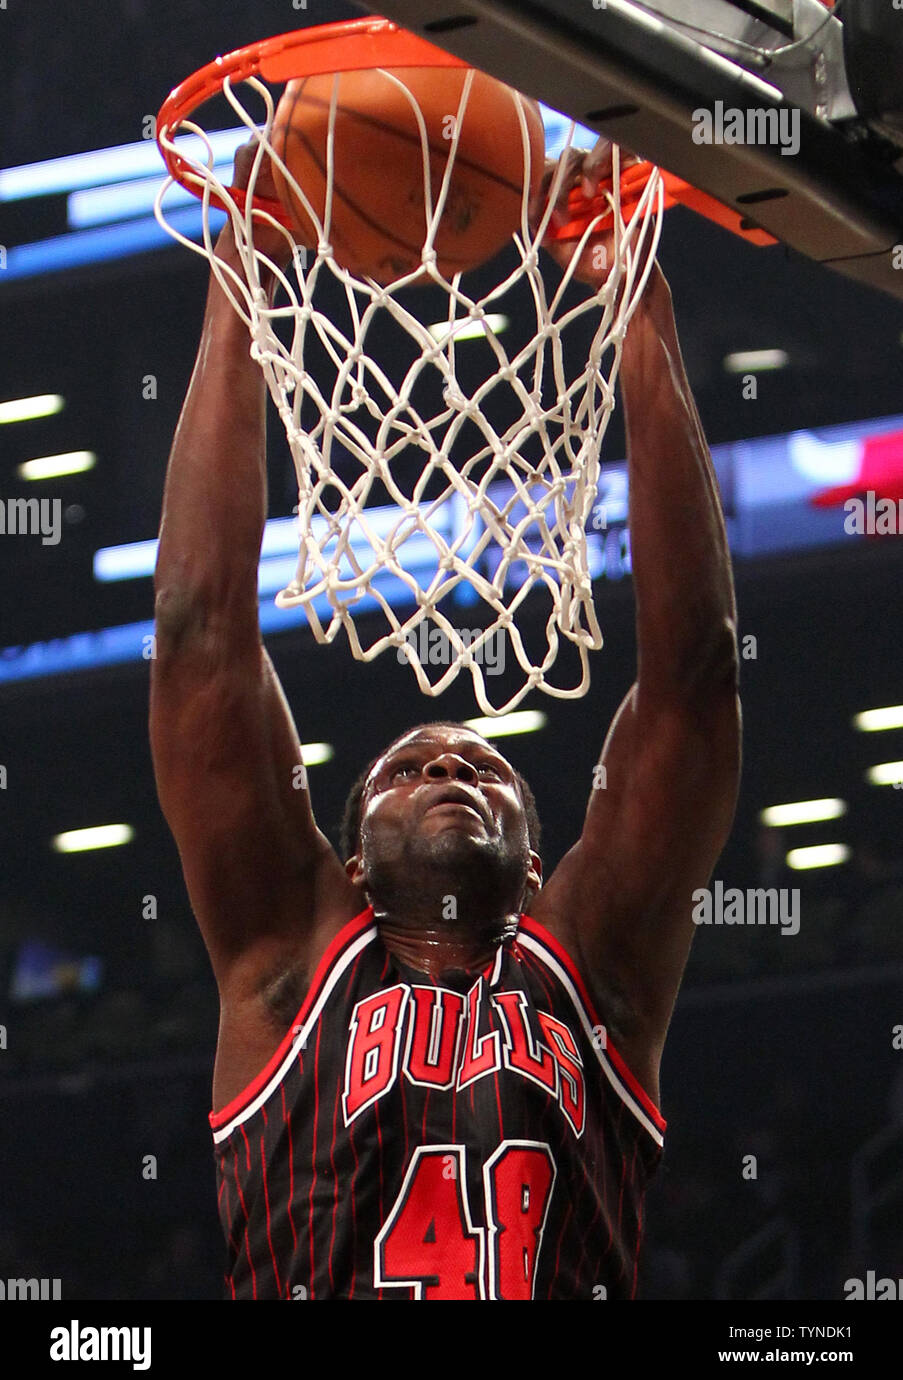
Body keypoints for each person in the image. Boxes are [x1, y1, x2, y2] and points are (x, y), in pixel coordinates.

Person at [150, 139, 741, 1299]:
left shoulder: (595, 970)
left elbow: (696, 676)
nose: (449, 761)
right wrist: (239, 295)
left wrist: (641, 314)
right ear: (353, 858)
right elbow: (195, 637)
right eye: (409, 764)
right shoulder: (288, 967)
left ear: (534, 867)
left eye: (482, 764)